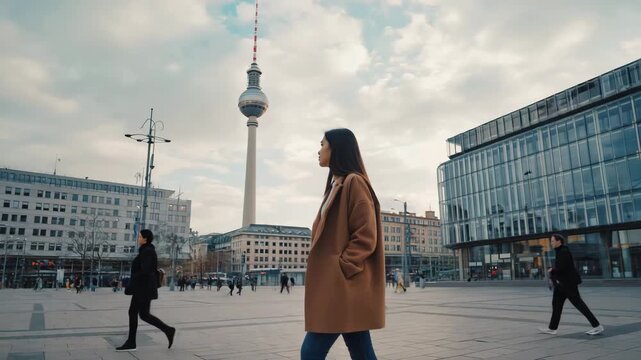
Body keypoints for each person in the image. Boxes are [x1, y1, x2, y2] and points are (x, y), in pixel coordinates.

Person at [302, 128, 385, 360]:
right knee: (361, 351)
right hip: (340, 285)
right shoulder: (334, 187)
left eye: (322, 145)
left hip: (341, 284)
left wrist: (344, 267)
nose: (318, 151)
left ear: (335, 149)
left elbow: (366, 235)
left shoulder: (354, 182)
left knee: (310, 352)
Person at [116, 229, 176, 352]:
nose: (138, 238)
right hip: (145, 288)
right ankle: (168, 330)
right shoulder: (146, 251)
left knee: (133, 312)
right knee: (144, 314)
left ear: (145, 239)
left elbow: (145, 271)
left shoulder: (147, 251)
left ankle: (131, 342)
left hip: (142, 288)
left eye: (139, 236)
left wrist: (131, 285)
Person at [539, 234, 604, 336]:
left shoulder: (564, 251)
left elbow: (562, 267)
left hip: (568, 284)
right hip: (562, 284)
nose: (551, 243)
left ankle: (597, 326)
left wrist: (552, 270)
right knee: (556, 305)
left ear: (559, 241)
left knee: (579, 304)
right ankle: (552, 328)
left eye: (552, 241)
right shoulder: (560, 251)